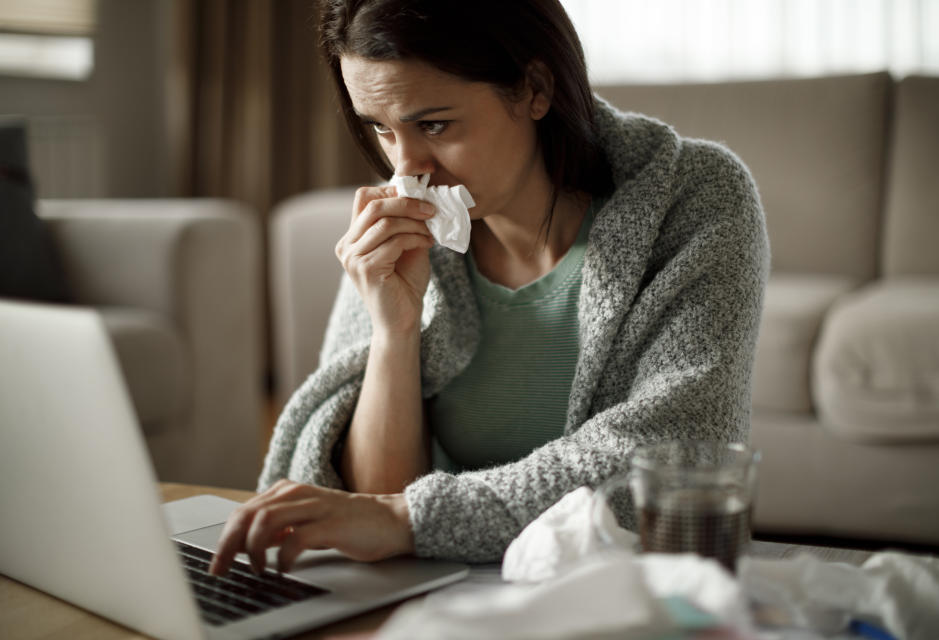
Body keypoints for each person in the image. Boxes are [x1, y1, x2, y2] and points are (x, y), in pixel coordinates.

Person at [210, 0, 769, 576]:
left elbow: (670, 453)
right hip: (439, 587)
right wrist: (393, 331)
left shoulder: (696, 197)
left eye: (434, 125)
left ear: (535, 88)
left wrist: (414, 521)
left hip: (622, 591)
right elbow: (373, 506)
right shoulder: (404, 234)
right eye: (381, 128)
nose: (408, 170)